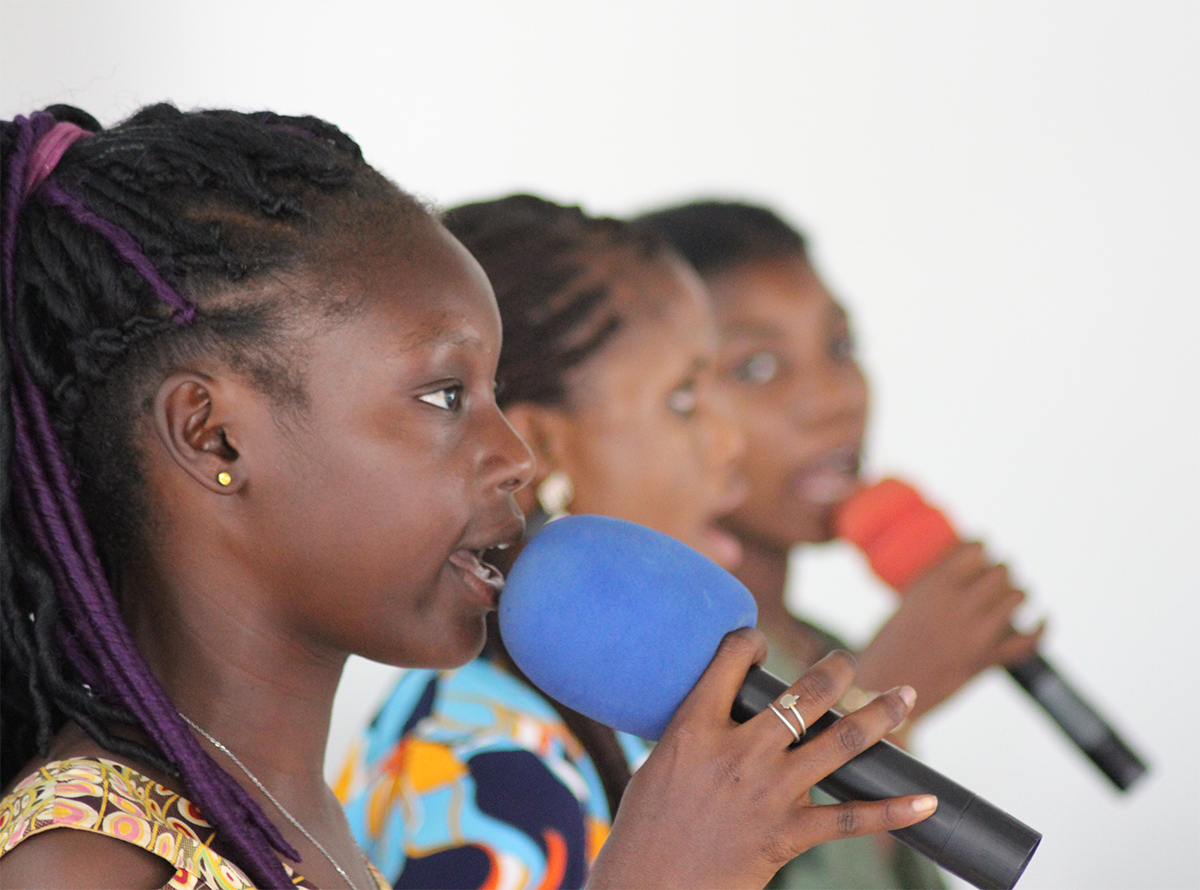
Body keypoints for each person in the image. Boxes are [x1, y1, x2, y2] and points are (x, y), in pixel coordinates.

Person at [0, 108, 935, 890]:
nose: (517, 455)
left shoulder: (288, 811)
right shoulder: (84, 861)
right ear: (214, 435)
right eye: (447, 395)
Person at [339, 194, 748, 888]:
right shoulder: (488, 765)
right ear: (542, 450)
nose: (730, 442)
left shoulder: (575, 720)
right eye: (683, 400)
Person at [639, 199, 1043, 888]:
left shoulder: (815, 645)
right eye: (759, 368)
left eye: (840, 348)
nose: (834, 400)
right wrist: (871, 703)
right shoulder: (661, 676)